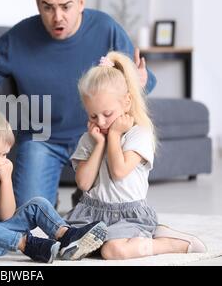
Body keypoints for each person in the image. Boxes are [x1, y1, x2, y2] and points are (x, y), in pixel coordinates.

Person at [0, 0, 157, 208]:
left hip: (99, 134)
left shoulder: (106, 28)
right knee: (31, 213)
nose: (58, 17)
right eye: (48, 7)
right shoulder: (18, 37)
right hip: (43, 139)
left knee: (108, 208)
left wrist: (141, 81)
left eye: (66, 6)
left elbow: (139, 83)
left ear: (80, 2)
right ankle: (55, 197)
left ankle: (86, 199)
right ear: (38, 4)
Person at [64, 51, 206, 259]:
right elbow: (84, 184)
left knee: (113, 251)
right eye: (93, 115)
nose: (101, 122)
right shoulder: (90, 138)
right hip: (91, 211)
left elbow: (119, 171)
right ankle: (153, 233)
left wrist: (113, 135)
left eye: (108, 114)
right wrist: (100, 144)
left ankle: (168, 244)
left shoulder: (139, 134)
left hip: (128, 216)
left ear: (127, 102)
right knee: (62, 241)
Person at [0, 107, 108, 263]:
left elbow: (6, 215)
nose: (0, 161)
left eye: (4, 155)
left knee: (38, 203)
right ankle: (26, 244)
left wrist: (6, 179)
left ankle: (66, 236)